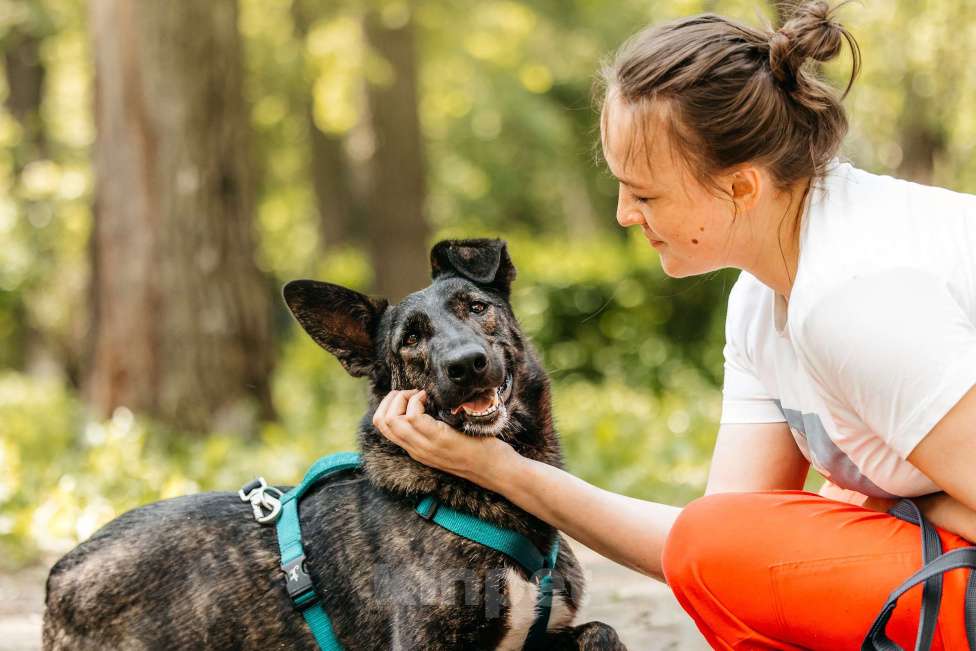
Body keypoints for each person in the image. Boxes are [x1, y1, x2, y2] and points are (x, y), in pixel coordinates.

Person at [371, 1, 976, 648]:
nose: (624, 215)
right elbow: (719, 551)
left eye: (645, 194)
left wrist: (888, 508)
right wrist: (499, 468)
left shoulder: (853, 295)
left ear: (742, 187)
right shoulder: (761, 302)